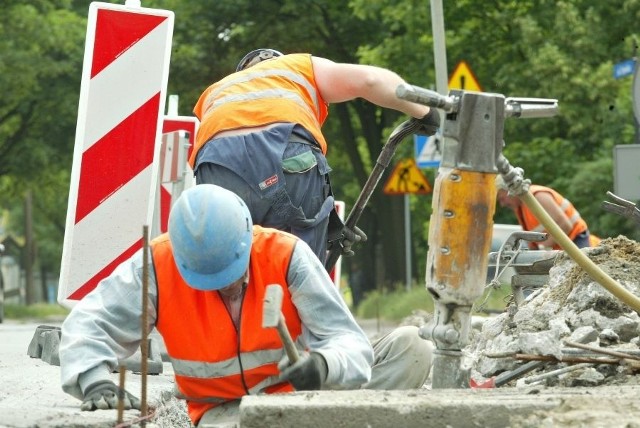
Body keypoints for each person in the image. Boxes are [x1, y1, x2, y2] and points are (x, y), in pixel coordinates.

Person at [59, 184, 433, 427]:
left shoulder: (285, 255)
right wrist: (93, 381)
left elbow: (348, 342)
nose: (225, 289)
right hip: (226, 416)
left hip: (305, 401)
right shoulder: (157, 265)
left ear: (246, 237)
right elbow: (89, 324)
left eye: (231, 278)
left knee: (413, 347)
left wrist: (322, 365)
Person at [189, 48, 440, 264]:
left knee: (229, 265)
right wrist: (425, 111)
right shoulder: (296, 67)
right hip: (286, 151)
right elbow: (370, 80)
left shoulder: (214, 92)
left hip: (216, 166)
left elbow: (216, 160)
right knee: (298, 265)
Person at [496, 177, 593, 250]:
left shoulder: (537, 196)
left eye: (502, 199)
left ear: (509, 191)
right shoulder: (521, 207)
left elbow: (565, 225)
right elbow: (533, 240)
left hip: (576, 240)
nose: (502, 204)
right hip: (561, 248)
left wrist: (543, 249)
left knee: (583, 273)